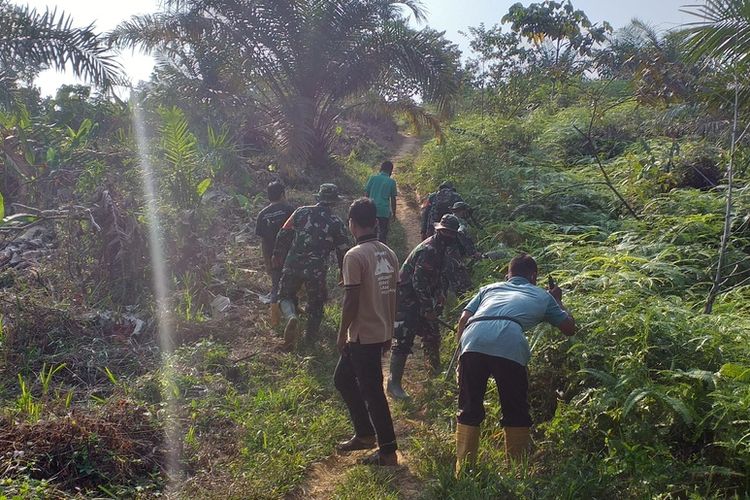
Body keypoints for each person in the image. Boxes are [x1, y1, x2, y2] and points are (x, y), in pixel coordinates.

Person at [453, 253, 576, 475]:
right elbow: (569, 328)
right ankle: (517, 472)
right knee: (515, 409)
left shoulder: (489, 288)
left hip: (473, 339)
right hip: (509, 341)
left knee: (469, 408)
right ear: (534, 277)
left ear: (507, 275)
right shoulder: (542, 295)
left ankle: (463, 471)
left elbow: (463, 319)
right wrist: (557, 300)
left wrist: (461, 355)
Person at [334, 198, 399, 466]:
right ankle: (364, 434)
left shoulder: (354, 255)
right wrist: (389, 332)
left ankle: (387, 451)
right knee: (343, 379)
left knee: (372, 391)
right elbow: (392, 294)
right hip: (379, 330)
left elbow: (351, 301)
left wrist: (341, 334)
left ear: (351, 224)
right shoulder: (388, 253)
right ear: (374, 222)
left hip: (362, 335)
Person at [387, 214, 461, 400]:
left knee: (432, 336)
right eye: (445, 232)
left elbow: (440, 278)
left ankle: (434, 377)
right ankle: (393, 384)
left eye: (452, 233)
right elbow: (418, 282)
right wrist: (427, 308)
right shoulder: (429, 249)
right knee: (404, 338)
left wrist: (440, 298)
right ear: (439, 230)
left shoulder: (444, 249)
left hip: (424, 296)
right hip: (407, 297)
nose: (448, 236)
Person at [272, 183, 350, 349]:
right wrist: (343, 272)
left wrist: (277, 255)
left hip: (293, 264)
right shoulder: (336, 222)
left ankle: (291, 316)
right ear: (334, 202)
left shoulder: (301, 211)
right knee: (316, 305)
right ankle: (309, 341)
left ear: (318, 198)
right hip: (316, 270)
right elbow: (343, 251)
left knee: (285, 296)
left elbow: (284, 232)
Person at [255, 181, 296, 326]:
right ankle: (292, 314)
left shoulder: (262, 215)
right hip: (291, 255)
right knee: (293, 286)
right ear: (282, 194)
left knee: (275, 286)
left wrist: (267, 262)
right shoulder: (290, 210)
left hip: (274, 257)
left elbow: (264, 242)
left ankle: (275, 320)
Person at [364, 160, 397, 244]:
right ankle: (382, 250)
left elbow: (366, 194)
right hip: (384, 211)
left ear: (381, 168)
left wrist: (364, 207)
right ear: (391, 170)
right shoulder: (392, 182)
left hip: (371, 209)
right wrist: (394, 213)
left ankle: (371, 249)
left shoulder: (373, 178)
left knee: (371, 233)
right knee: (383, 233)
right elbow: (393, 199)